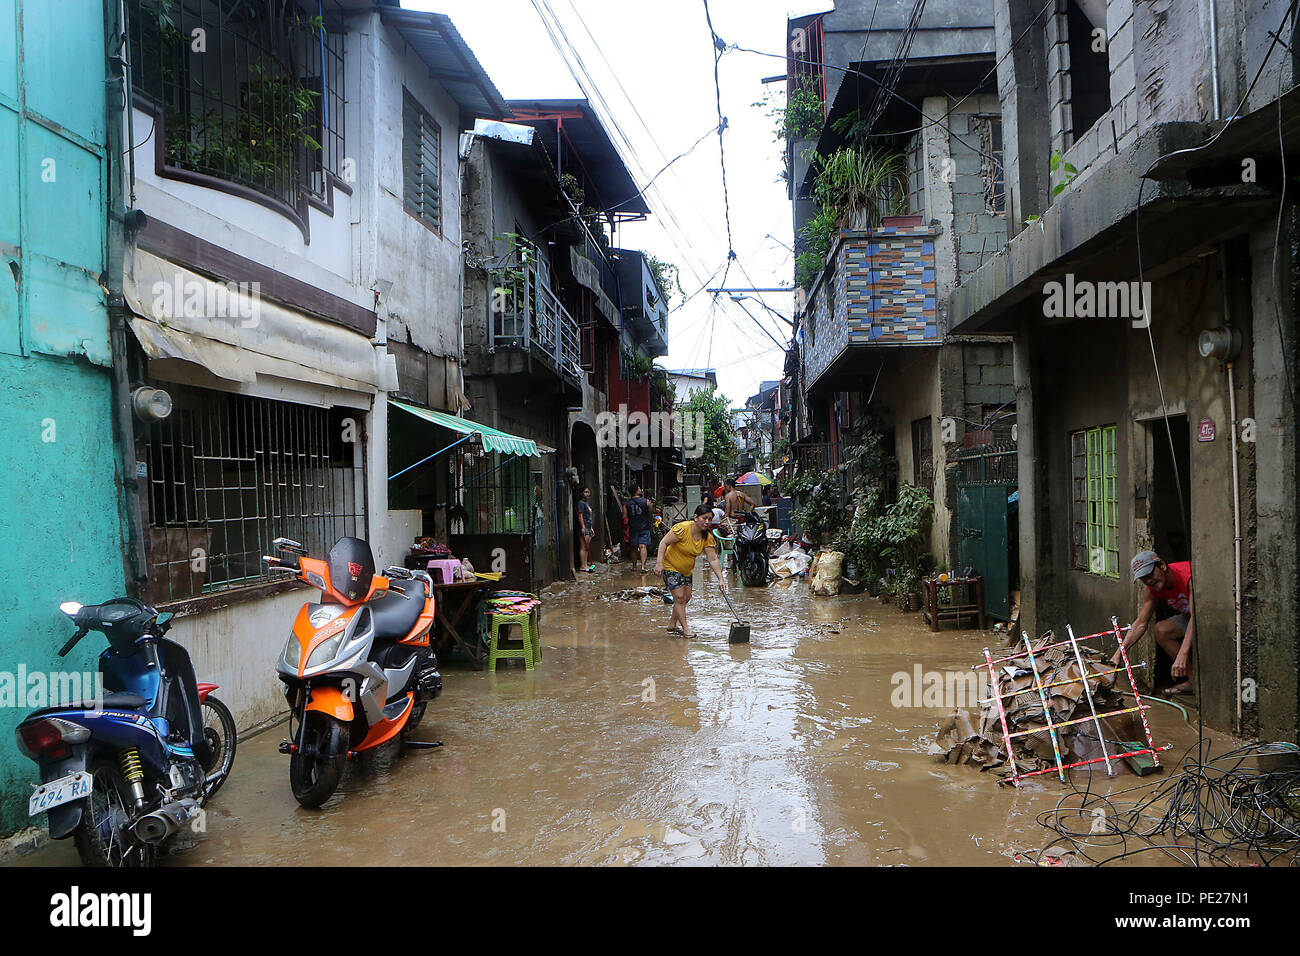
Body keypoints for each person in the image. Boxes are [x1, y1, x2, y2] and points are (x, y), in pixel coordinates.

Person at [1111, 550, 1195, 694]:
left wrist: (1182, 654)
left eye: (1150, 574)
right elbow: (1141, 623)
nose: (1149, 581)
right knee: (1161, 631)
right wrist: (1119, 654)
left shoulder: (1189, 576)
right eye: (1144, 578)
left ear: (1162, 565)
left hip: (1211, 614)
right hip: (1191, 617)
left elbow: (1197, 618)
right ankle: (1194, 682)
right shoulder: (1152, 589)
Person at [654, 504, 726, 638]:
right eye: (704, 518)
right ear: (696, 517)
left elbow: (713, 559)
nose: (707, 522)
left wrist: (721, 578)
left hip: (687, 569)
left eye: (710, 519)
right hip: (671, 565)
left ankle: (672, 624)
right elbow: (664, 543)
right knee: (679, 598)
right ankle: (686, 630)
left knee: (685, 598)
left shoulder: (707, 537)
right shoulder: (682, 529)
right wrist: (659, 563)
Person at [623, 484, 653, 573]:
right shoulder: (646, 502)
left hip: (633, 527)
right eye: (639, 488)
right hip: (644, 526)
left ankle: (634, 566)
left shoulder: (626, 504)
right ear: (636, 491)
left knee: (634, 548)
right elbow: (650, 512)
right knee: (643, 546)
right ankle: (643, 567)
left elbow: (624, 516)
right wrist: (650, 520)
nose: (640, 489)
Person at [576, 486, 595, 572]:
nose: (587, 494)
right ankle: (582, 565)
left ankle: (586, 564)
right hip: (584, 527)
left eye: (588, 492)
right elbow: (580, 516)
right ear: (581, 493)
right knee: (583, 547)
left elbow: (588, 517)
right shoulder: (580, 503)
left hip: (588, 526)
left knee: (587, 547)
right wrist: (583, 527)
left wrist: (591, 528)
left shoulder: (586, 503)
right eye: (585, 492)